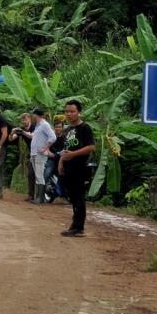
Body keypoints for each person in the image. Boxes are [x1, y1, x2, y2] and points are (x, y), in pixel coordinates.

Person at [57, 99, 97, 237]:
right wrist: (61, 162)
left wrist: (73, 154)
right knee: (73, 196)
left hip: (80, 167)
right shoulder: (67, 130)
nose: (69, 114)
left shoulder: (84, 128)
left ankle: (78, 228)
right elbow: (65, 149)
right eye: (67, 111)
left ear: (79, 112)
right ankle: (75, 225)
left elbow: (91, 147)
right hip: (68, 168)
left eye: (72, 111)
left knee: (79, 197)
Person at [17, 107, 57, 204]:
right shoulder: (38, 125)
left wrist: (46, 147)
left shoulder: (45, 125)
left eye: (33, 114)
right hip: (34, 153)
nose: (32, 116)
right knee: (38, 176)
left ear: (36, 115)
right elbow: (32, 135)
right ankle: (39, 197)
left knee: (39, 176)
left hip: (40, 153)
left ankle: (40, 198)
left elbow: (53, 137)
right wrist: (22, 132)